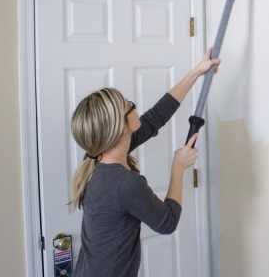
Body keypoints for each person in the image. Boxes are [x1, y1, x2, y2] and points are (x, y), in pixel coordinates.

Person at [69, 49, 220, 277]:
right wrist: (178, 167)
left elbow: (155, 117)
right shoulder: (125, 183)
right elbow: (167, 222)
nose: (133, 105)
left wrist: (196, 72)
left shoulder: (101, 156)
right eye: (128, 104)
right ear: (119, 128)